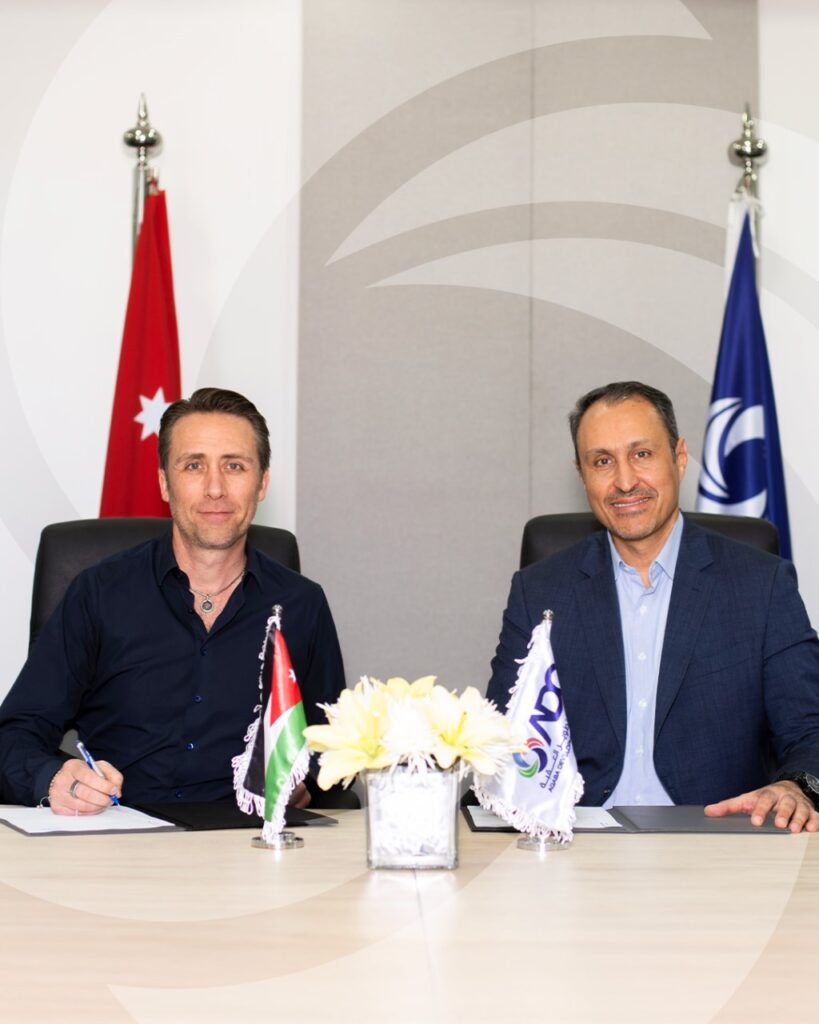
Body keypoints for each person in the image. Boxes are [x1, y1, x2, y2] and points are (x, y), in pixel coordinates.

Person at [487, 381, 819, 833]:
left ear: (679, 457)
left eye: (641, 454)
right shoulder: (540, 591)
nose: (624, 481)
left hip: (714, 839)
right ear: (582, 475)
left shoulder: (761, 585)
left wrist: (796, 786)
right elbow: (499, 737)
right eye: (602, 461)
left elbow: (810, 729)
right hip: (573, 840)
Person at [0, 388, 346, 813]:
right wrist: (54, 779)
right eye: (194, 465)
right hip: (120, 833)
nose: (215, 488)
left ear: (262, 483)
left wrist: (305, 781)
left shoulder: (302, 605)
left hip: (251, 839)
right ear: (165, 482)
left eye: (234, 466)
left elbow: (333, 747)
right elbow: (13, 737)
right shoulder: (99, 593)